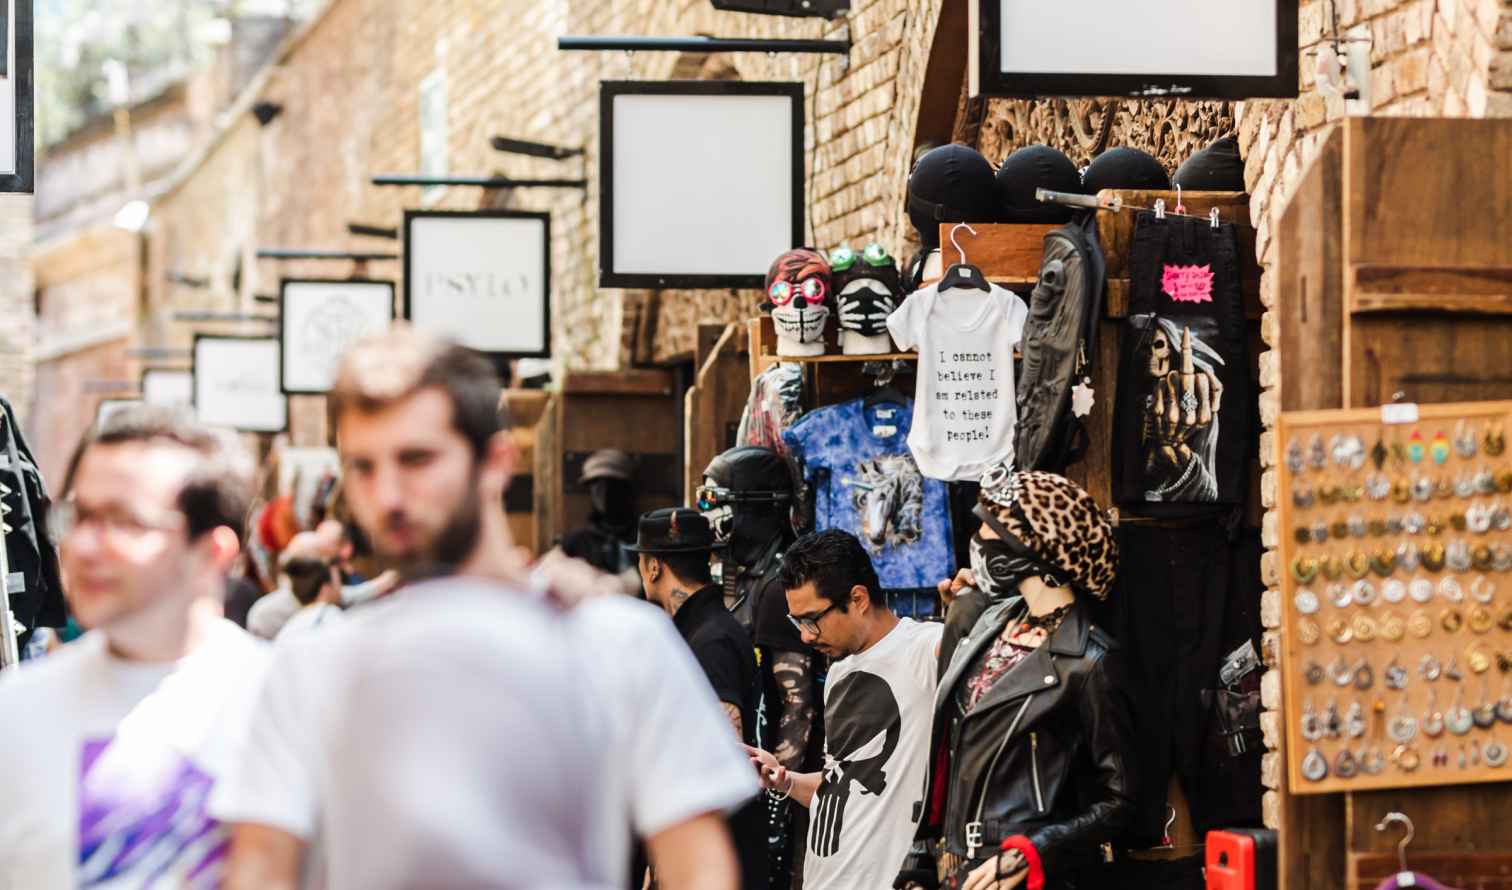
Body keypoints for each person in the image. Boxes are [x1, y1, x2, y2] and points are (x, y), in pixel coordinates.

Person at [216, 325, 753, 890]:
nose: (388, 495)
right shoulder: (312, 662)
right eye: (363, 467)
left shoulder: (619, 644)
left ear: (495, 461)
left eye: (416, 459)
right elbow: (261, 870)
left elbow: (699, 870)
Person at [0, 406, 264, 889]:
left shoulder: (283, 700)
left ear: (212, 552)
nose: (84, 546)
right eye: (80, 517)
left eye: (124, 522)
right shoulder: (15, 710)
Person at [907, 468, 1137, 890]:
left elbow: (1120, 801)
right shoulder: (989, 622)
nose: (977, 539)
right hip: (958, 868)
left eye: (989, 530)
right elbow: (951, 747)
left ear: (1032, 548)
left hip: (1017, 874)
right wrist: (921, 857)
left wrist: (1031, 853)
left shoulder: (1088, 661)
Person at [746, 530, 942, 890]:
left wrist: (968, 606)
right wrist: (784, 779)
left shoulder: (923, 648)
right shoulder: (839, 670)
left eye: (811, 619)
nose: (805, 636)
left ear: (858, 598)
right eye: (797, 623)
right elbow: (840, 781)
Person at [699, 445, 821, 888]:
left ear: (759, 507)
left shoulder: (778, 586)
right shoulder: (748, 575)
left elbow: (796, 702)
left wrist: (777, 800)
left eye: (719, 501)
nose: (710, 513)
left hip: (784, 780)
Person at [632, 507, 767, 890]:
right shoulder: (703, 630)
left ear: (653, 567)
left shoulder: (710, 640)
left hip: (717, 853)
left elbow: (726, 749)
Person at [561, 448, 639, 575]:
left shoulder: (646, 541)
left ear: (626, 488)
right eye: (596, 484)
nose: (604, 492)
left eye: (612, 484)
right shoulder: (575, 543)